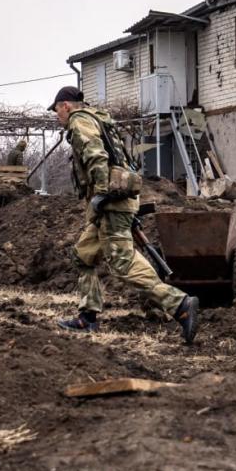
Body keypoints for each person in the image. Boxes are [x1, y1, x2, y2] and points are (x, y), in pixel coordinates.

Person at [48, 86, 199, 343]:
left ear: (65, 105)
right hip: (115, 201)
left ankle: (179, 305)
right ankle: (88, 318)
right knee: (83, 255)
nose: (57, 116)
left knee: (123, 263)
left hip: (110, 202)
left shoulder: (79, 120)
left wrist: (102, 194)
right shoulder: (99, 118)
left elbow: (95, 154)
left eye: (56, 110)